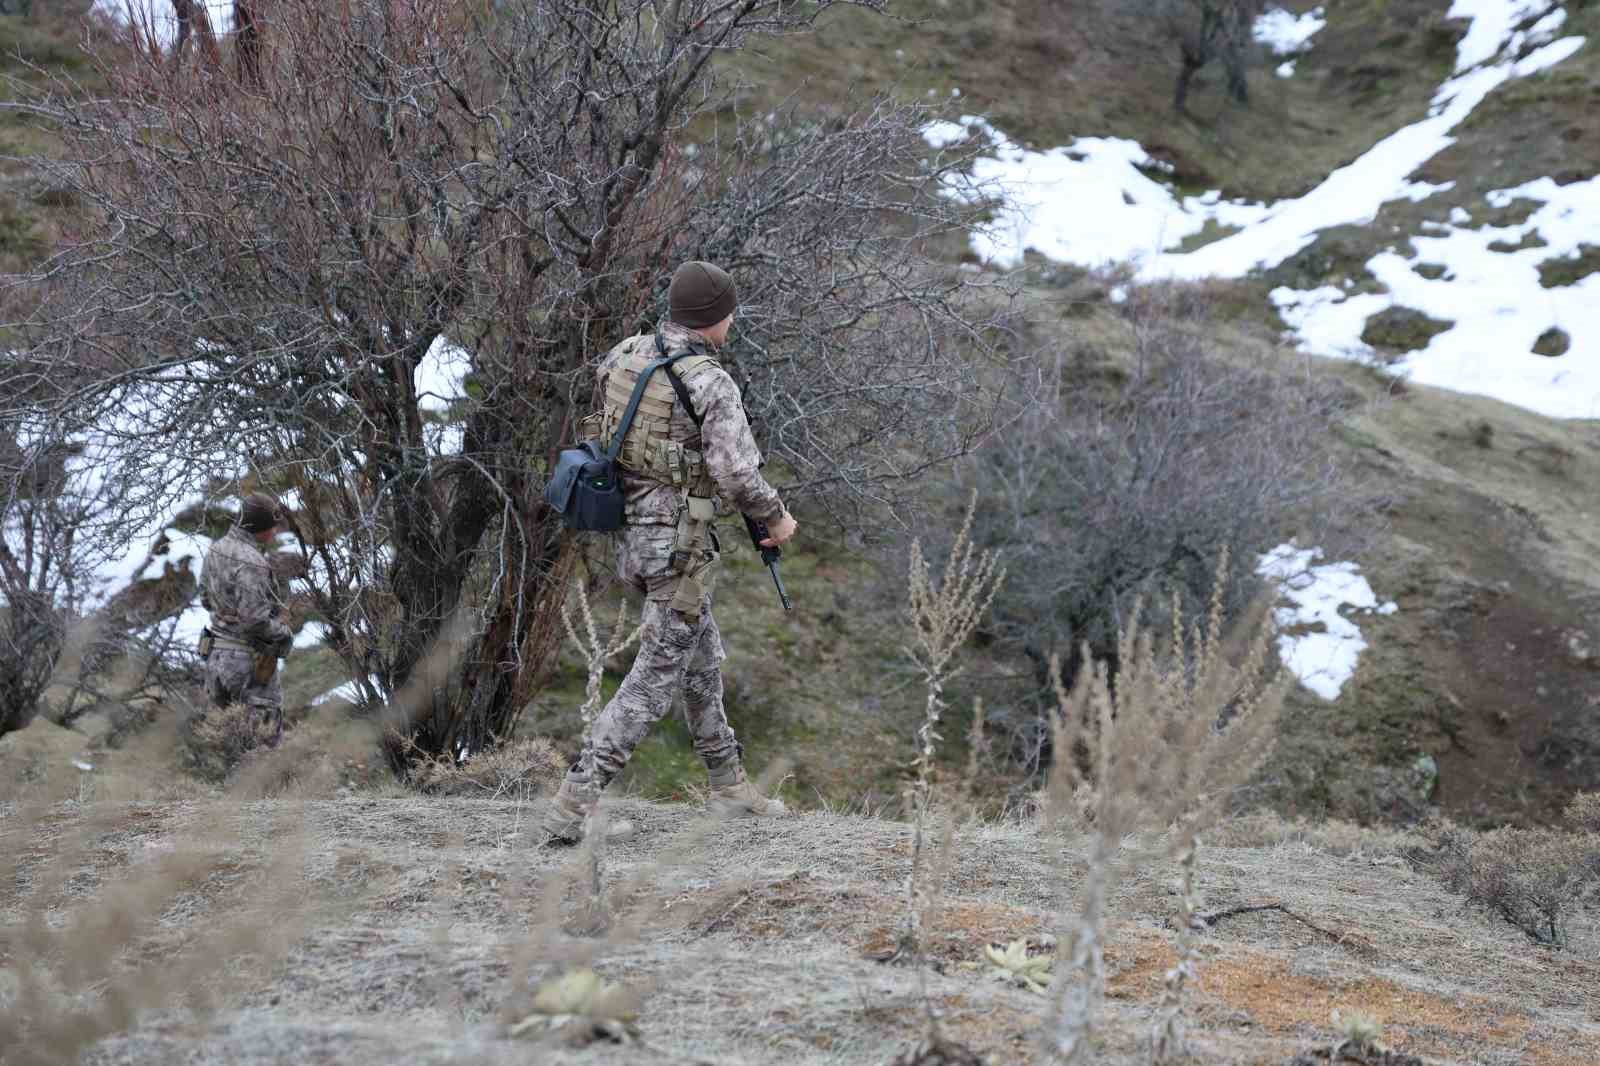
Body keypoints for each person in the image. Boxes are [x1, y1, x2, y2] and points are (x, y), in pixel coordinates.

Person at [544, 261, 798, 844]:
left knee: (699, 657)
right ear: (715, 317)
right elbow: (736, 474)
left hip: (628, 535)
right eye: (730, 310)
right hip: (677, 548)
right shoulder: (710, 382)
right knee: (655, 677)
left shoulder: (626, 352)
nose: (733, 319)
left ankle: (729, 786)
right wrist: (776, 517)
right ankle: (572, 805)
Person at [199, 491, 293, 739]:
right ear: (260, 527)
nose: (274, 532)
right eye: (272, 527)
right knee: (263, 745)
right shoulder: (252, 561)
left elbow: (205, 599)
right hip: (247, 663)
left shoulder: (216, 549)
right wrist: (284, 634)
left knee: (224, 743)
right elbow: (255, 621)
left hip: (215, 658)